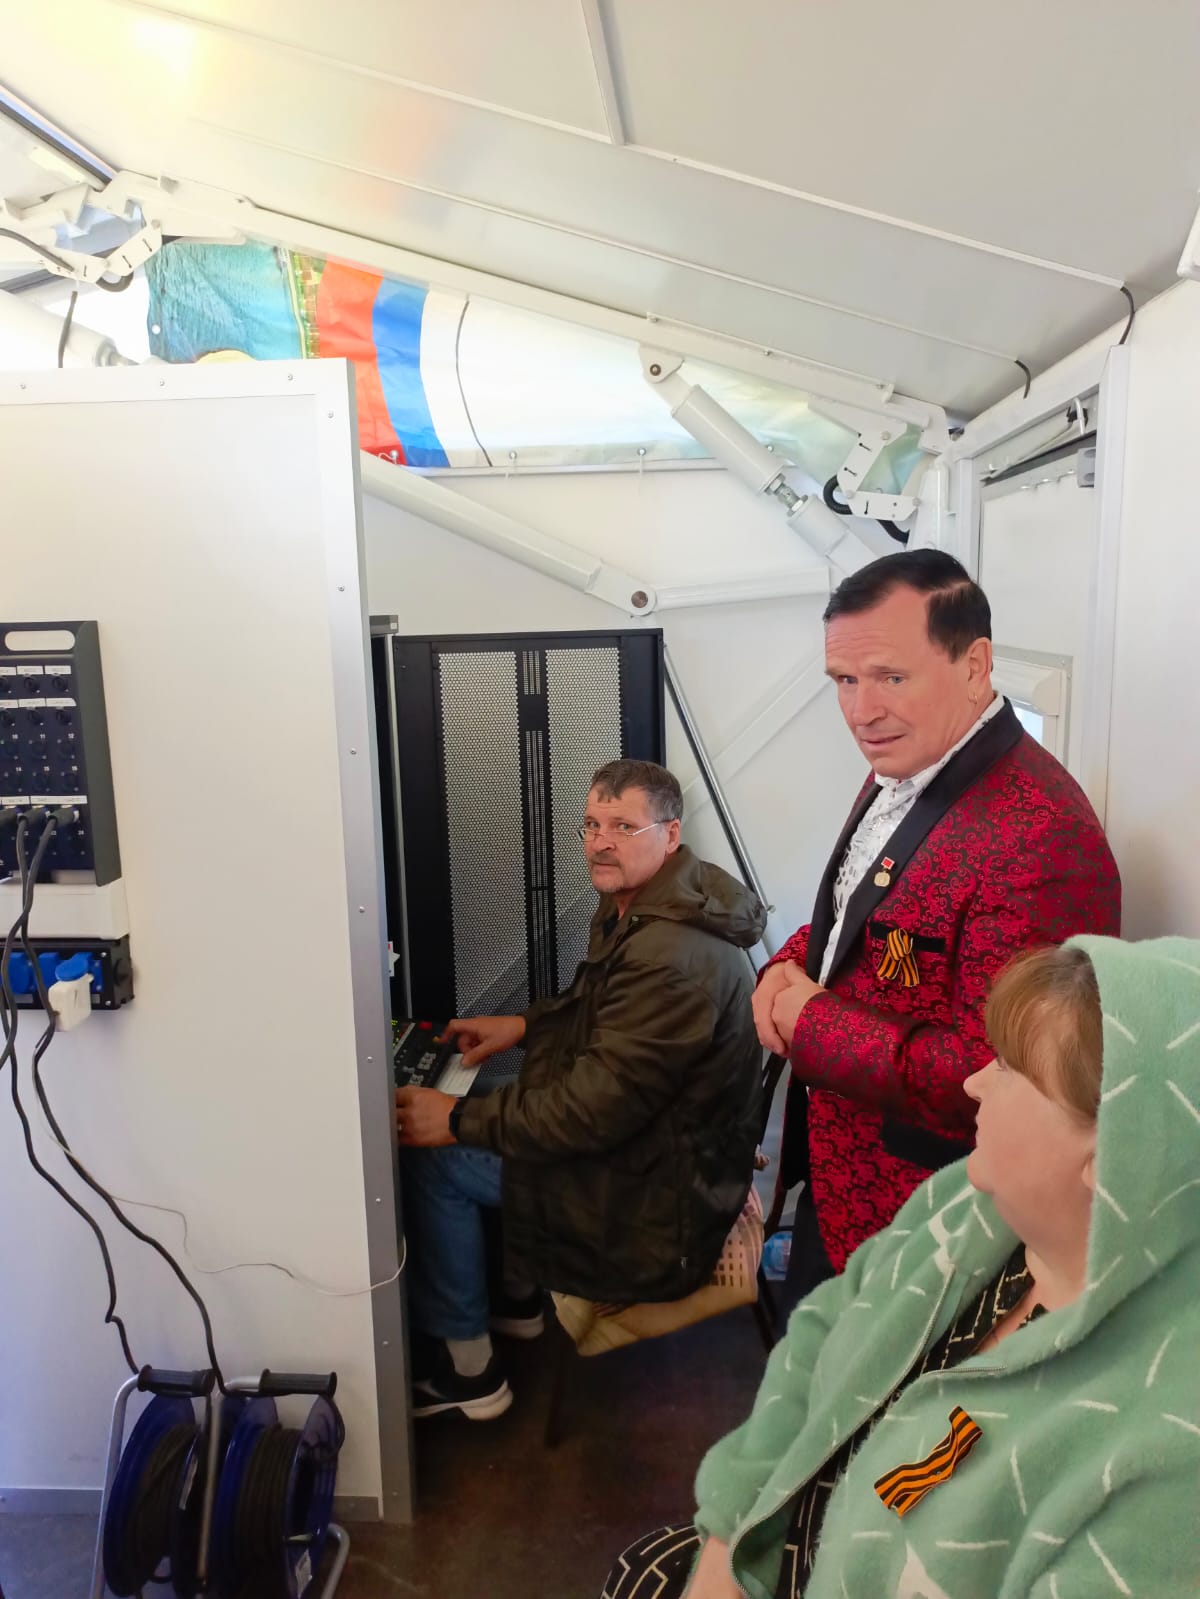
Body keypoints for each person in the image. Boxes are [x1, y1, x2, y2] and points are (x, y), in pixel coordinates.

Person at [603, 933, 1200, 1598]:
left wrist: (820, 1021)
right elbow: (819, 1334)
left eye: (1008, 1067)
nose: (976, 1080)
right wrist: (727, 1537)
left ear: (1116, 1153)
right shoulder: (967, 1205)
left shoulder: (1163, 1463)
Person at [753, 549, 1120, 1303]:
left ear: (975, 665)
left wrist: (809, 1020)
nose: (861, 711)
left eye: (891, 677)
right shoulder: (910, 755)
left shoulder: (1037, 839)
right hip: (843, 1178)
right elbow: (861, 913)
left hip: (933, 1224)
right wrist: (788, 963)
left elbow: (1006, 1072)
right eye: (844, 681)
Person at [395, 759, 766, 1420]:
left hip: (656, 1202)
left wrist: (452, 1120)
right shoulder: (648, 904)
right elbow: (602, 1012)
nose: (600, 842)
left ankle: (467, 1369)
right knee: (492, 1088)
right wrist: (522, 1025)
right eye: (592, 825)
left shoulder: (671, 958)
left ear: (670, 833)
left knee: (435, 1156)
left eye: (623, 826)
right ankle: (515, 1301)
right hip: (663, 1149)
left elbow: (589, 1113)